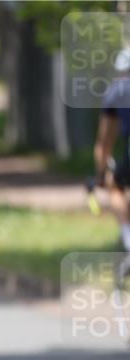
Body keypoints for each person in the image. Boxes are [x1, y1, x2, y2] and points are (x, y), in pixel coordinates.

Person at [95, 48, 130, 262]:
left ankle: (128, 239)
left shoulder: (117, 91)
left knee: (115, 185)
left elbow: (103, 143)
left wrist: (100, 174)